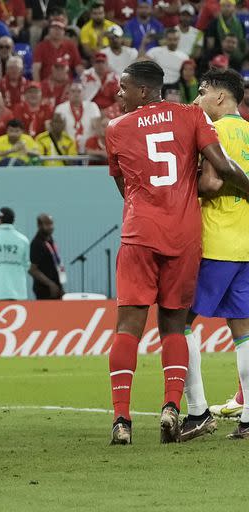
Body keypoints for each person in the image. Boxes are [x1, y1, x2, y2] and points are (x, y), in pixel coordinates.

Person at [105, 61, 249, 445]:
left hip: (150, 233)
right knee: (189, 326)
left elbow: (125, 187)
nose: (118, 94)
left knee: (133, 328)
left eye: (123, 88)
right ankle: (179, 408)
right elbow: (223, 166)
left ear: (143, 90)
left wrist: (156, 202)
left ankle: (129, 419)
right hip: (193, 238)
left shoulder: (117, 128)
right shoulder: (190, 116)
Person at [180, 69, 249, 441]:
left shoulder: (214, 132)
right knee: (244, 332)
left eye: (202, 92)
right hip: (247, 245)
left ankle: (197, 412)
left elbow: (210, 182)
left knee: (179, 322)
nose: (196, 100)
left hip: (217, 242)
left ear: (220, 98)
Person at [29, 214, 65, 300]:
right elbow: (32, 270)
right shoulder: (37, 243)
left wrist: (61, 286)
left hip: (57, 287)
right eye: (47, 224)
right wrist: (50, 284)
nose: (51, 227)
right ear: (39, 226)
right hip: (45, 289)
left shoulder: (50, 240)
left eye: (51, 224)